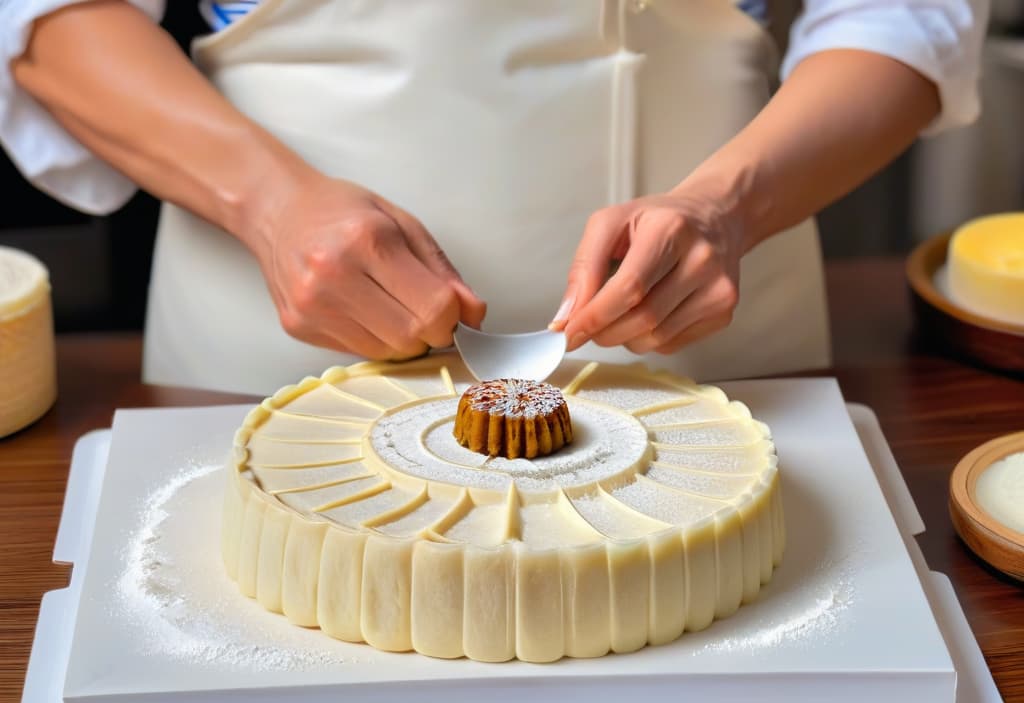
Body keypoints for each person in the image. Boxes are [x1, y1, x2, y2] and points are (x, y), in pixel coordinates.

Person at [1, 0, 987, 394]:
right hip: (266, 356)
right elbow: (44, 17)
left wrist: (727, 208)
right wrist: (268, 202)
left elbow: (901, 15)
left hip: (720, 351)